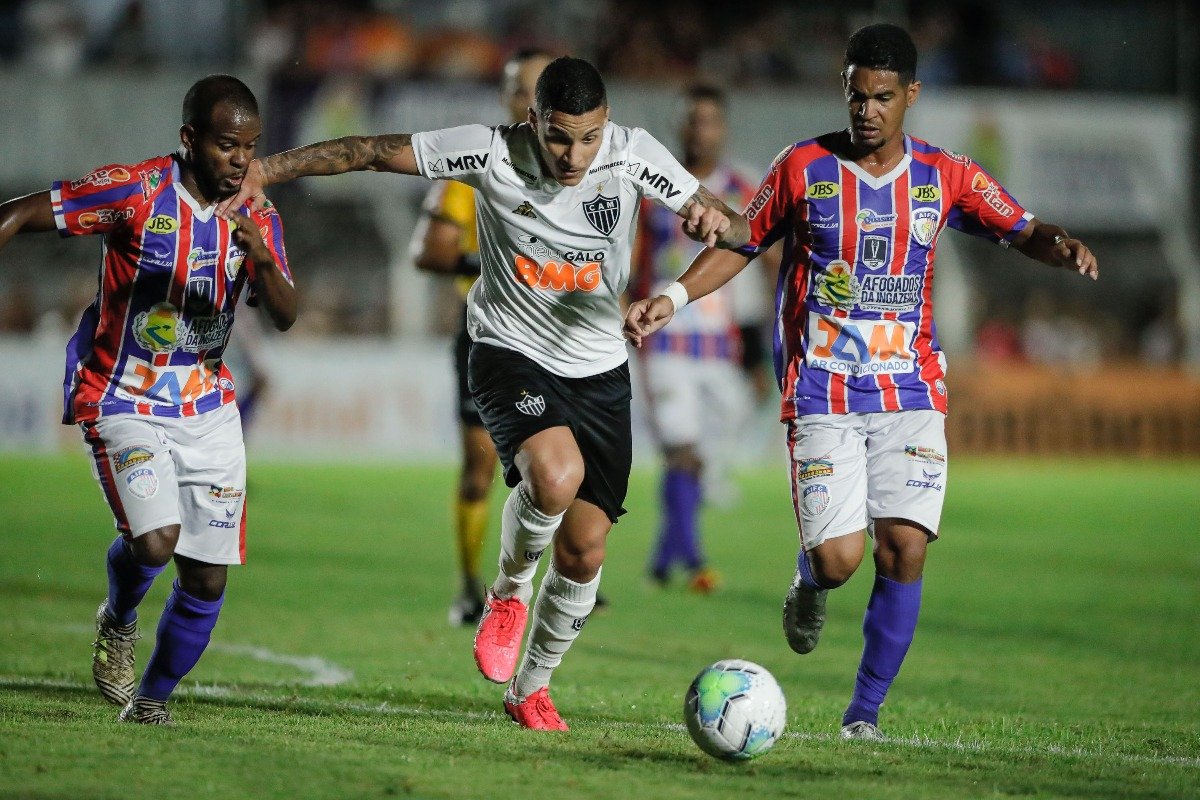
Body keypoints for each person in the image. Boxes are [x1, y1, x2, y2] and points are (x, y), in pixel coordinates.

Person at [219, 55, 749, 730]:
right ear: (532, 120)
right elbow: (369, 151)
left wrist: (677, 285)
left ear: (606, 125)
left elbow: (738, 232)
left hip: (599, 367)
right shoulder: (489, 151)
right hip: (506, 351)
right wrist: (267, 169)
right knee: (555, 477)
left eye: (588, 138)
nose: (573, 154)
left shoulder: (633, 155)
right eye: (558, 136)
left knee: (586, 552)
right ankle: (507, 593)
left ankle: (532, 686)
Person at [625, 24, 1097, 740]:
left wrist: (1058, 247)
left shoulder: (947, 175)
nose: (867, 110)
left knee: (904, 547)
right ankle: (811, 581)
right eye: (856, 95)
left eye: (882, 97)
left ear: (910, 95)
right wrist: (674, 297)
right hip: (822, 389)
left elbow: (1022, 226)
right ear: (844, 90)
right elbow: (742, 243)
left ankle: (863, 714)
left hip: (911, 390)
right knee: (841, 560)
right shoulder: (802, 167)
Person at [0, 75, 297, 725]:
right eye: (226, 146)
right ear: (189, 140)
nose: (241, 160)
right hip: (122, 399)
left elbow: (283, 315)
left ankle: (152, 703)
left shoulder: (257, 214)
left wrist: (264, 261)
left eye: (249, 147)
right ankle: (118, 619)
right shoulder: (134, 192)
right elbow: (21, 214)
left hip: (209, 409)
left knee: (207, 578)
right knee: (157, 541)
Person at [410, 49, 553, 627]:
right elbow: (427, 251)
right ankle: (472, 584)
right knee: (479, 467)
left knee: (561, 467)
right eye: (523, 91)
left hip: (556, 337)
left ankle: (564, 579)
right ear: (506, 97)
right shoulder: (476, 169)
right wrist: (493, 258)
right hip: (487, 335)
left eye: (543, 91)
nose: (533, 104)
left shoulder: (580, 170)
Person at [631, 84, 775, 593]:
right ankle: (692, 558)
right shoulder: (651, 187)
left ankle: (663, 556)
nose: (700, 130)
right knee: (682, 452)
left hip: (721, 346)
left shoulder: (742, 186)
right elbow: (631, 260)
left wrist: (761, 347)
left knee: (718, 441)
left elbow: (765, 260)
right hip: (665, 340)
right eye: (692, 120)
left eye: (710, 120)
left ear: (723, 127)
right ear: (679, 126)